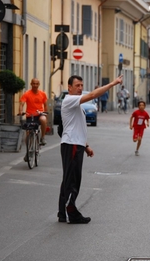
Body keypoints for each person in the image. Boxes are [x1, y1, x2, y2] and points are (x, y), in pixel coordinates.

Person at [58, 74, 123, 224]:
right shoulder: (69, 100)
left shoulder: (75, 104)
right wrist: (113, 83)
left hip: (75, 144)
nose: (80, 88)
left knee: (69, 179)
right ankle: (70, 212)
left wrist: (86, 146)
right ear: (69, 87)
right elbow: (93, 94)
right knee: (73, 180)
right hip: (72, 144)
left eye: (82, 85)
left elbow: (76, 127)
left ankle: (63, 213)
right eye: (77, 86)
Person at [19, 78, 48, 146]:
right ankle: (28, 152)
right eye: (33, 83)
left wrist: (45, 114)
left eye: (36, 84)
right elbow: (22, 104)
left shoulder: (42, 94)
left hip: (39, 114)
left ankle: (43, 137)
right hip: (30, 115)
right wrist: (20, 111)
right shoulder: (27, 94)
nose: (35, 85)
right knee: (28, 134)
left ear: (39, 84)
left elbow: (45, 105)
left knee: (43, 119)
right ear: (31, 84)